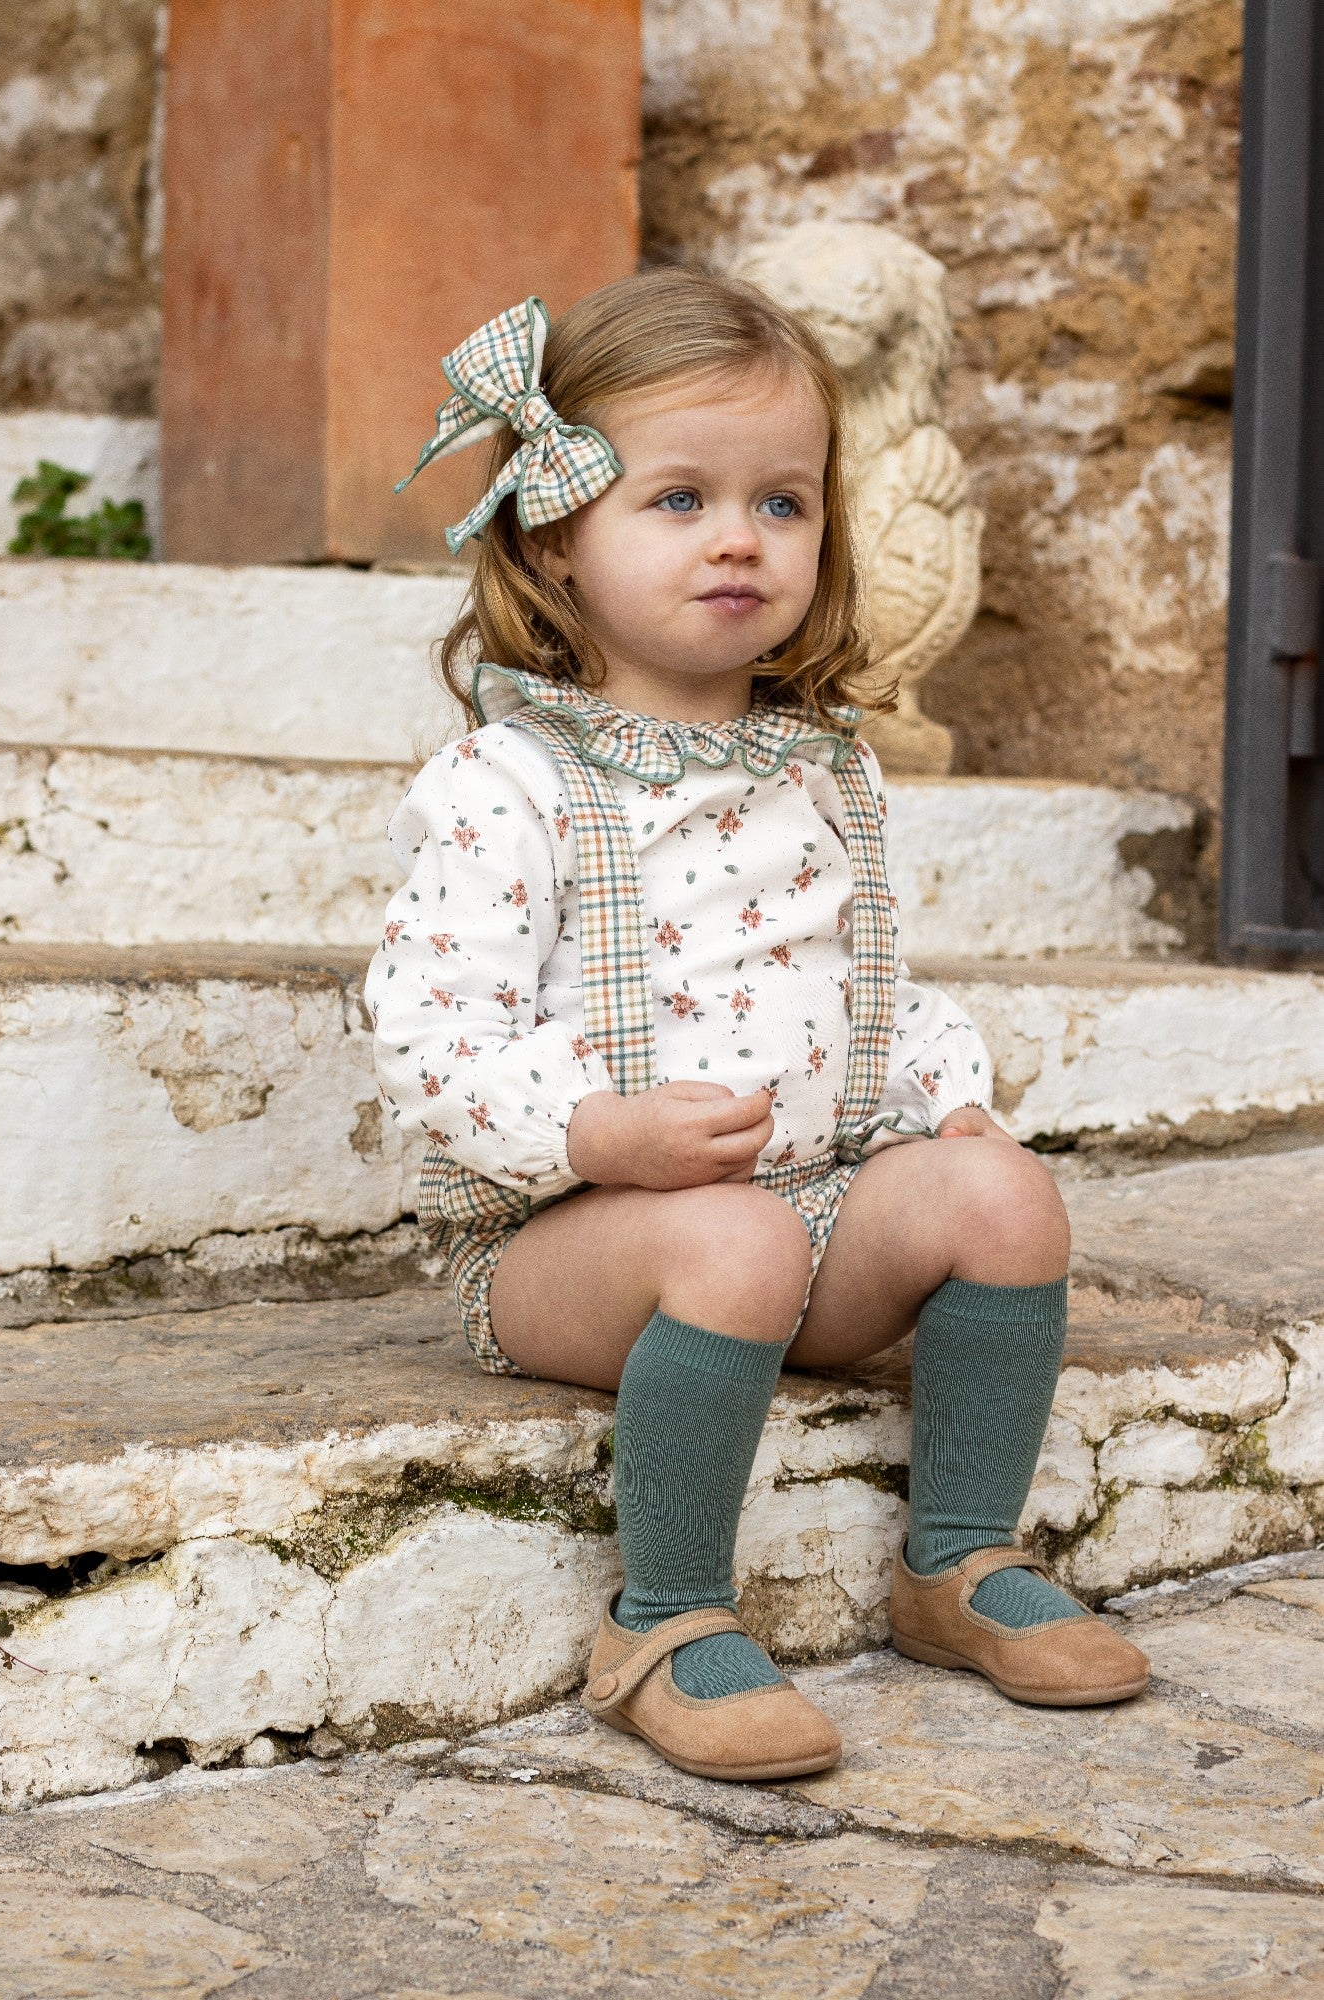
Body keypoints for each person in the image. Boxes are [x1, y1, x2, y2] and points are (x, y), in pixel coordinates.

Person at [368, 272, 1149, 1784]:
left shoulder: (822, 773)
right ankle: (662, 1621)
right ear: (552, 533)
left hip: (807, 1220)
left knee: (1001, 1192)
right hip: (575, 1252)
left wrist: (945, 1099)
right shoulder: (508, 787)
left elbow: (865, 984)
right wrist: (598, 1131)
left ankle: (958, 1562)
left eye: (781, 503)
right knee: (725, 1238)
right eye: (677, 497)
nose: (739, 536)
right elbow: (427, 1035)